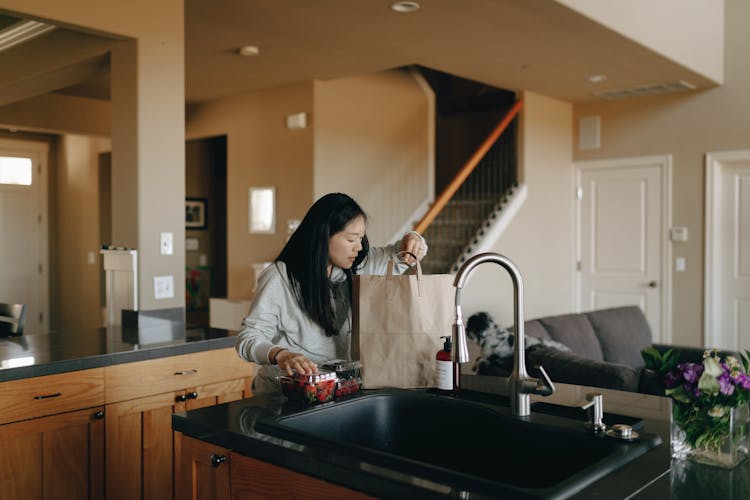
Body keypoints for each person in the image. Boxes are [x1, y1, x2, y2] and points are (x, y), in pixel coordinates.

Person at [236, 192, 428, 395]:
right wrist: (281, 355)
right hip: (284, 394)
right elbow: (249, 337)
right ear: (323, 235)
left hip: (337, 390)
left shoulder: (358, 265)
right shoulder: (280, 277)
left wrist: (414, 238)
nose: (359, 247)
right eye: (351, 239)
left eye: (361, 238)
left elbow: (401, 254)